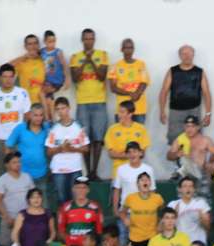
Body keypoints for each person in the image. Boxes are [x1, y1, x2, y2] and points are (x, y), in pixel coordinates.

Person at [70, 29, 109, 179]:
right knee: (85, 139)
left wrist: (91, 60)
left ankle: (95, 171)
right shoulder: (75, 57)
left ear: (94, 40)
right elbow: (75, 78)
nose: (88, 41)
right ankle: (87, 171)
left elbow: (101, 76)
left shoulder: (102, 55)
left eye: (91, 39)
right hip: (83, 102)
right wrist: (85, 61)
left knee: (98, 138)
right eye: (86, 39)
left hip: (99, 101)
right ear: (82, 40)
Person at [0, 64, 32, 178]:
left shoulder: (22, 93)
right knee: (0, 175)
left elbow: (27, 117)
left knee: (19, 173)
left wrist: (25, 139)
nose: (8, 80)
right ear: (0, 78)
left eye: (11, 77)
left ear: (14, 77)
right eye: (5, 77)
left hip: (17, 140)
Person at [158, 45, 212, 143]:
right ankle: (176, 154)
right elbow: (164, 91)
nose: (187, 56)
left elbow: (206, 93)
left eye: (190, 53)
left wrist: (208, 114)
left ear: (193, 55)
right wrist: (162, 111)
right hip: (175, 112)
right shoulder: (172, 71)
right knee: (175, 141)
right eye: (184, 53)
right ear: (180, 56)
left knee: (196, 141)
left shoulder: (199, 71)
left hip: (194, 111)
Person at [108, 119, 154, 219]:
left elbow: (152, 191)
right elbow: (117, 191)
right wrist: (116, 210)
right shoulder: (121, 169)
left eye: (135, 151)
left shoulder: (148, 169)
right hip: (125, 212)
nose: (132, 154)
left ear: (140, 153)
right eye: (129, 152)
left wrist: (150, 210)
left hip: (143, 212)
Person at [45, 97, 89, 203]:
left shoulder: (78, 126)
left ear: (69, 108)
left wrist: (72, 149)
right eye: (58, 109)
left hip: (75, 168)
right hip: (58, 169)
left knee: (76, 200)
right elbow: (48, 152)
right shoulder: (53, 128)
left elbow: (86, 148)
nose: (61, 111)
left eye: (63, 108)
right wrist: (60, 148)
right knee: (61, 200)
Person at [0, 151, 35, 246]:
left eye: (19, 162)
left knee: (27, 245)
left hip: (26, 219)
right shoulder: (2, 180)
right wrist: (7, 218)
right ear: (7, 165)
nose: (18, 164)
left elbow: (33, 196)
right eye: (14, 162)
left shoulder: (27, 177)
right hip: (10, 219)